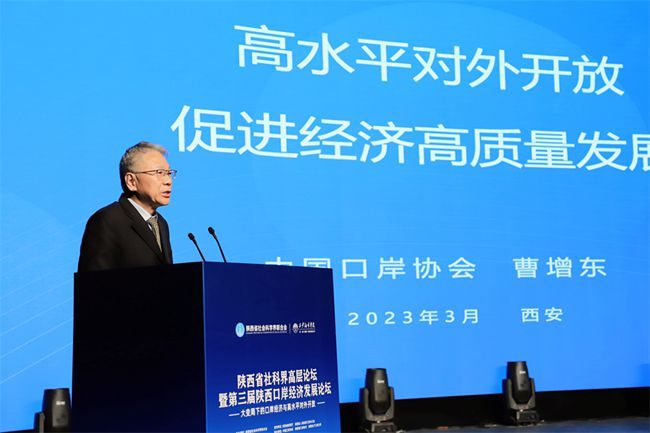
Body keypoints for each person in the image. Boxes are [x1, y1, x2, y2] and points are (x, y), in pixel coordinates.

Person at [78, 142, 175, 272]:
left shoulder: (161, 223)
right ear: (131, 181)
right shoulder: (107, 220)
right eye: (159, 172)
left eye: (168, 173)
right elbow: (92, 280)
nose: (168, 181)